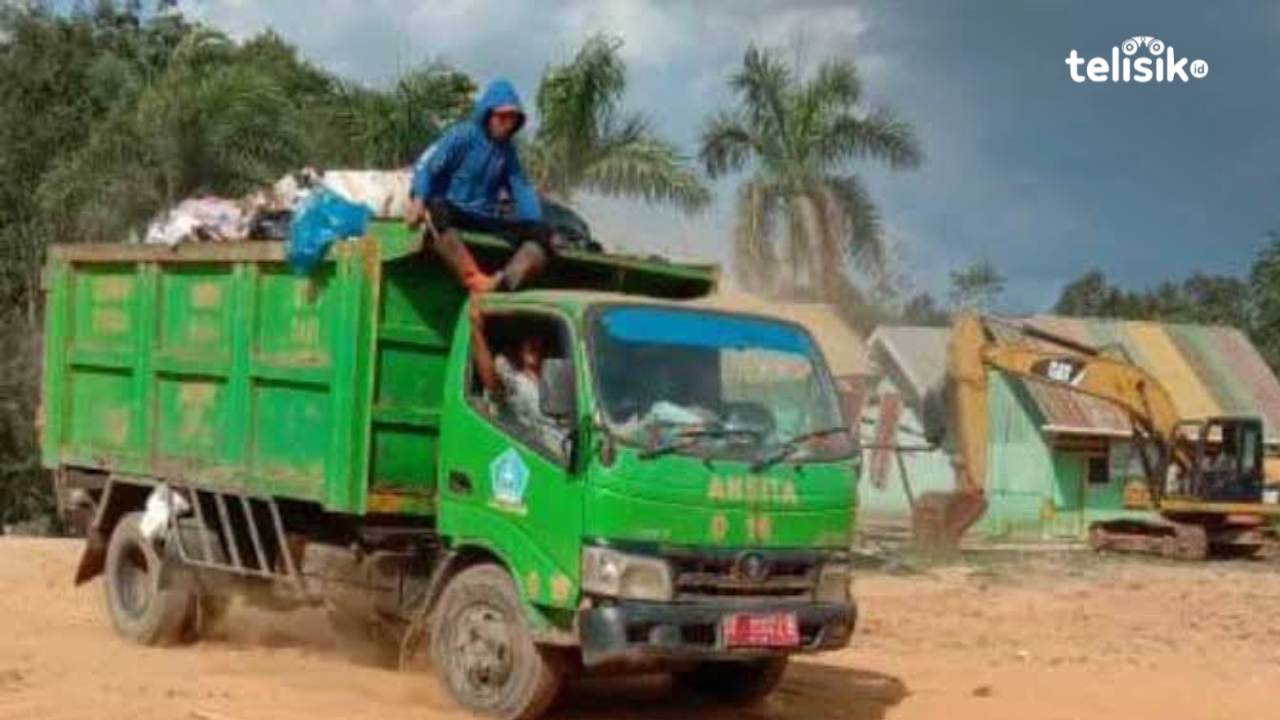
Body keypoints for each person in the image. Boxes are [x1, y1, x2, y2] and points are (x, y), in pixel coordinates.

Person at [406, 78, 552, 294]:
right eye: (501, 117)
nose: (506, 123)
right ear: (488, 114)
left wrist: (536, 223)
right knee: (435, 207)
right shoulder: (461, 136)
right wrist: (418, 198)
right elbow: (428, 167)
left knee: (542, 232)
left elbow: (521, 189)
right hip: (453, 211)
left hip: (482, 217)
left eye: (512, 118)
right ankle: (473, 278)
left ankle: (506, 282)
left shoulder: (507, 151)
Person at [469, 303, 567, 454]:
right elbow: (493, 384)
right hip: (534, 457)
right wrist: (476, 331)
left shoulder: (556, 377)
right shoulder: (512, 376)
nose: (535, 344)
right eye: (529, 338)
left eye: (540, 338)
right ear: (520, 343)